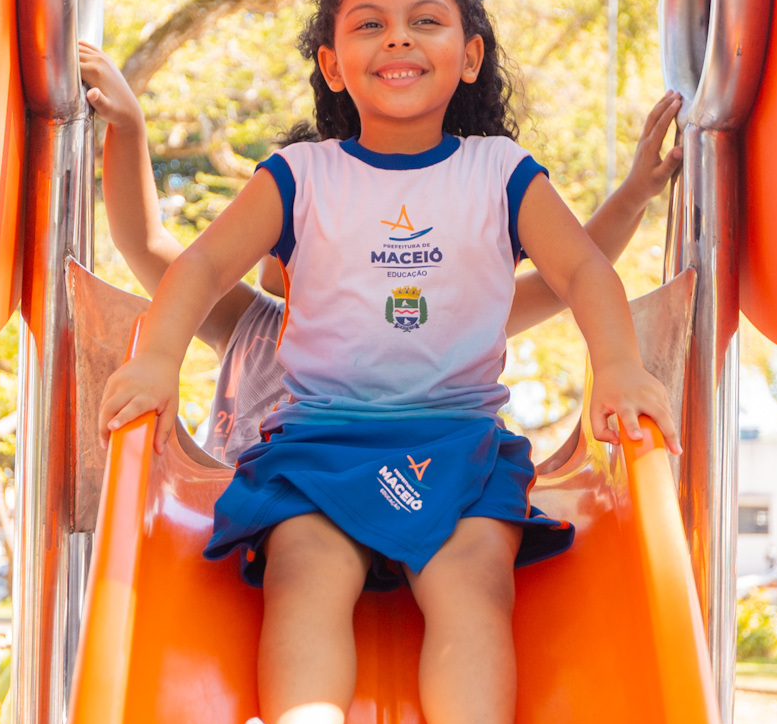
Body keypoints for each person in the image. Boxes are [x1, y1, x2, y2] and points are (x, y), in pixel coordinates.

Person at [96, 0, 676, 724]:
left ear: (469, 53)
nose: (396, 39)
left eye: (425, 21)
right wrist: (156, 360)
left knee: (474, 577)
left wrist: (617, 360)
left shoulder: (498, 172)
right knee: (305, 568)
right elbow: (188, 263)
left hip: (455, 441)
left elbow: (574, 272)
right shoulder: (301, 178)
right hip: (319, 440)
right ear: (331, 61)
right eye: (367, 23)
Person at [81, 49, 683, 467]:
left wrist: (632, 197)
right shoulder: (243, 320)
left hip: (421, 490)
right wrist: (131, 128)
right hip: (273, 511)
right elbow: (149, 244)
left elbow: (568, 275)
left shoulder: (439, 321)